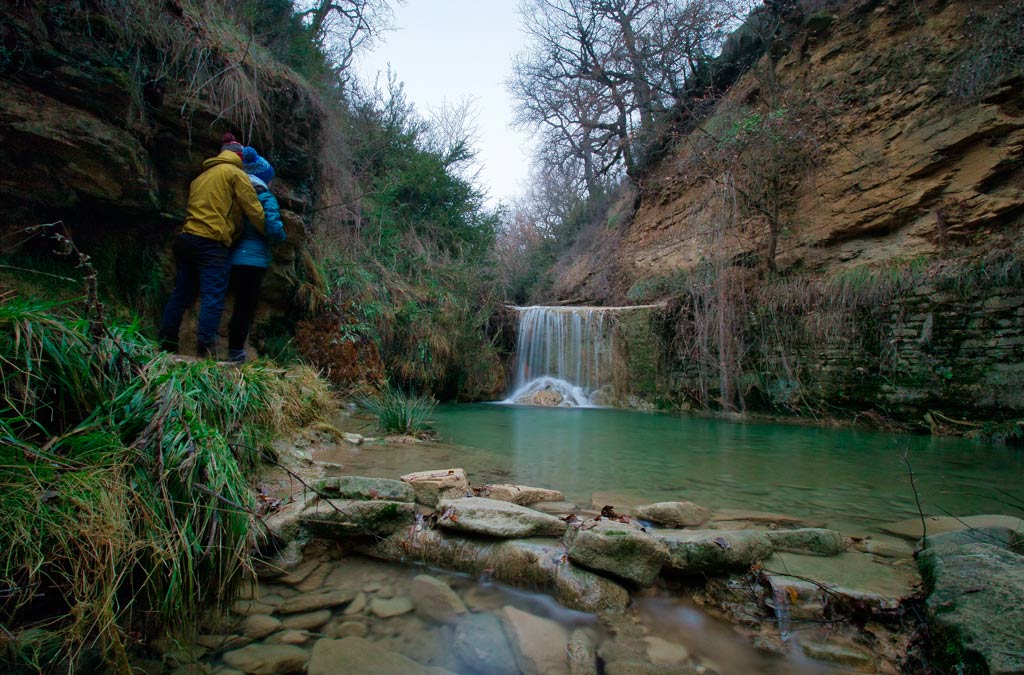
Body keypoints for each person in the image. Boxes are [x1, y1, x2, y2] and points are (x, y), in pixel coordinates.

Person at [158, 133, 266, 357]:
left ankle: (166, 345)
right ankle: (204, 351)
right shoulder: (235, 174)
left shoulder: (201, 177)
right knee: (213, 297)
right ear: (239, 157)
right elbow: (253, 209)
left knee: (181, 294)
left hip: (187, 239)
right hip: (212, 243)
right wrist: (268, 231)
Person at [226, 147, 286, 363]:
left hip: (228, 256)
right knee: (244, 307)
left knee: (223, 301)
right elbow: (274, 228)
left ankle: (207, 347)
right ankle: (236, 352)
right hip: (253, 260)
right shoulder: (265, 196)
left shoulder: (235, 193)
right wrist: (281, 238)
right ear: (263, 177)